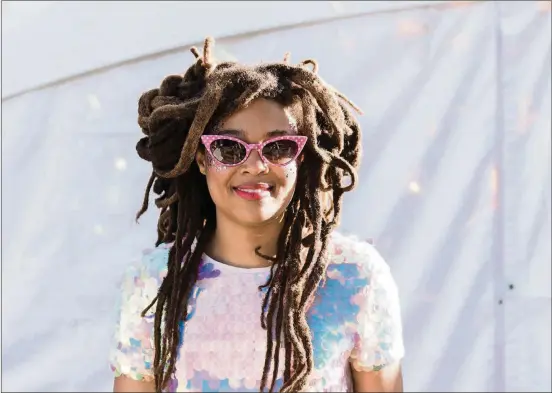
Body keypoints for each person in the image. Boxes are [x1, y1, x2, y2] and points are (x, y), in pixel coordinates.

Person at [110, 37, 405, 393]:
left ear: (302, 156)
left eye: (278, 147)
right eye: (229, 147)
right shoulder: (154, 282)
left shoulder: (355, 276)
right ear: (201, 160)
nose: (255, 165)